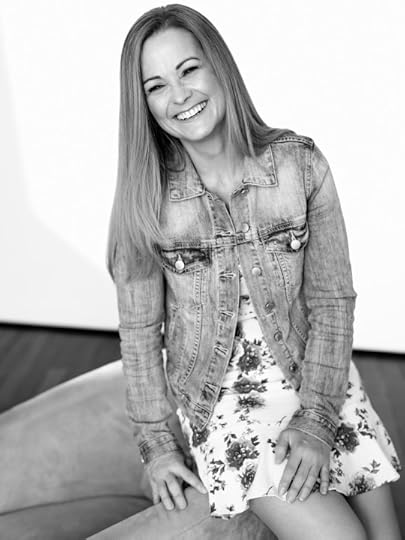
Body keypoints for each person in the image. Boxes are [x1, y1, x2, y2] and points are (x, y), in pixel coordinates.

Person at [106, 4, 402, 539]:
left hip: (316, 374)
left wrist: (316, 417)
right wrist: (157, 445)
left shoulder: (300, 165)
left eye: (189, 69)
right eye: (156, 86)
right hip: (224, 398)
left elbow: (333, 301)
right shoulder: (145, 198)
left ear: (218, 65)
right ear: (144, 104)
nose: (180, 95)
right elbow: (139, 331)